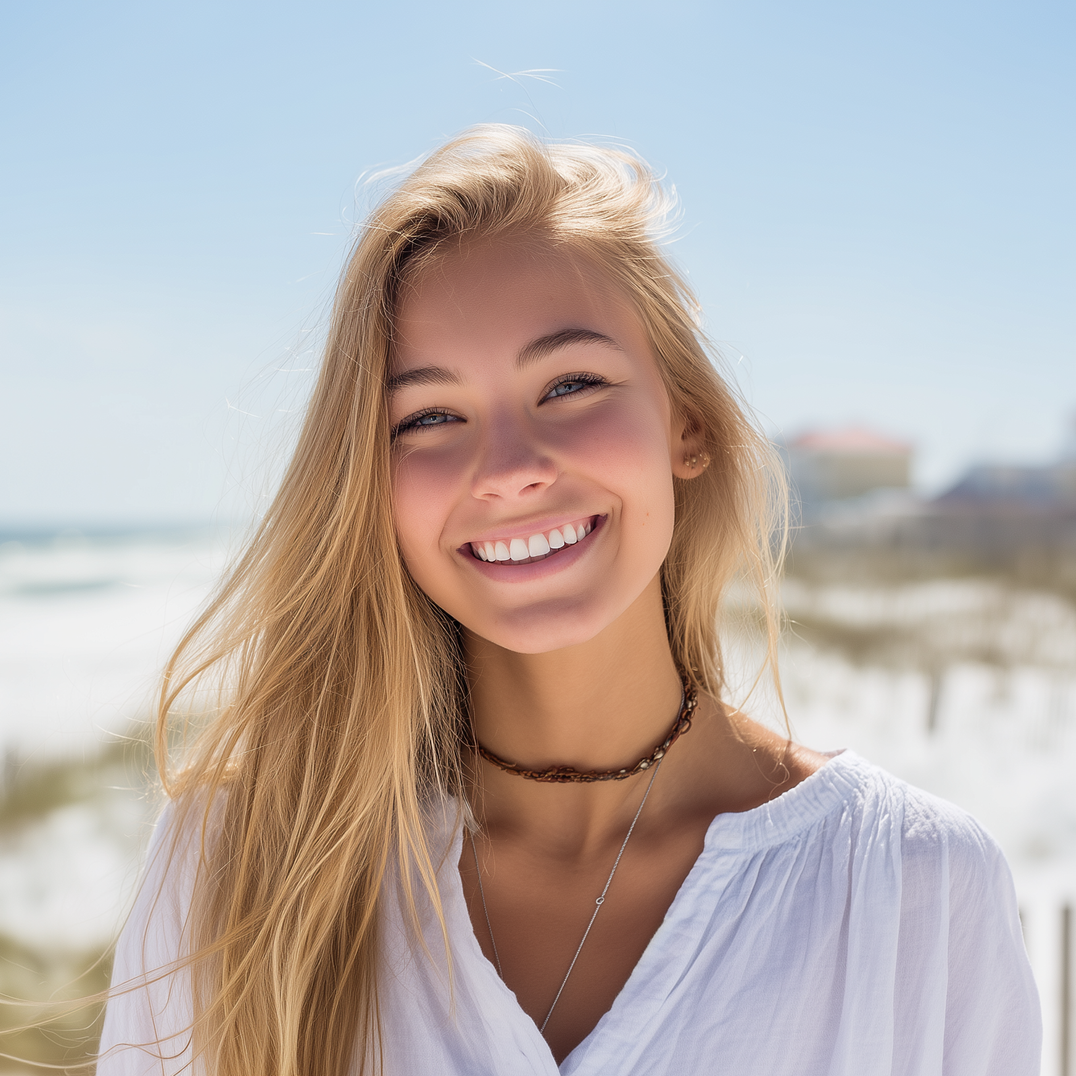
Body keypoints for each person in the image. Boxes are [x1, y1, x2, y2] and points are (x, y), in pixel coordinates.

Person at [97, 126, 1040, 1076]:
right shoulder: (239, 868)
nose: (507, 470)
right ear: (371, 483)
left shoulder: (914, 890)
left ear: (687, 428)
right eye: (429, 416)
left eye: (572, 383)